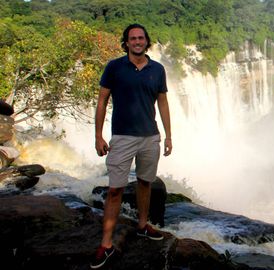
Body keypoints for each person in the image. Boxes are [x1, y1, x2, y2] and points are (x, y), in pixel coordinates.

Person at [90, 23, 172, 269]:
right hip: (123, 138)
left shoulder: (157, 69)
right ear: (126, 42)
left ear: (147, 42)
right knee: (115, 189)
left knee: (146, 182)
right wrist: (98, 136)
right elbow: (102, 101)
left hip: (150, 137)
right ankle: (105, 244)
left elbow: (163, 104)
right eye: (132, 38)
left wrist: (169, 135)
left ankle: (143, 224)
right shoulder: (114, 67)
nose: (137, 41)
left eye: (141, 38)